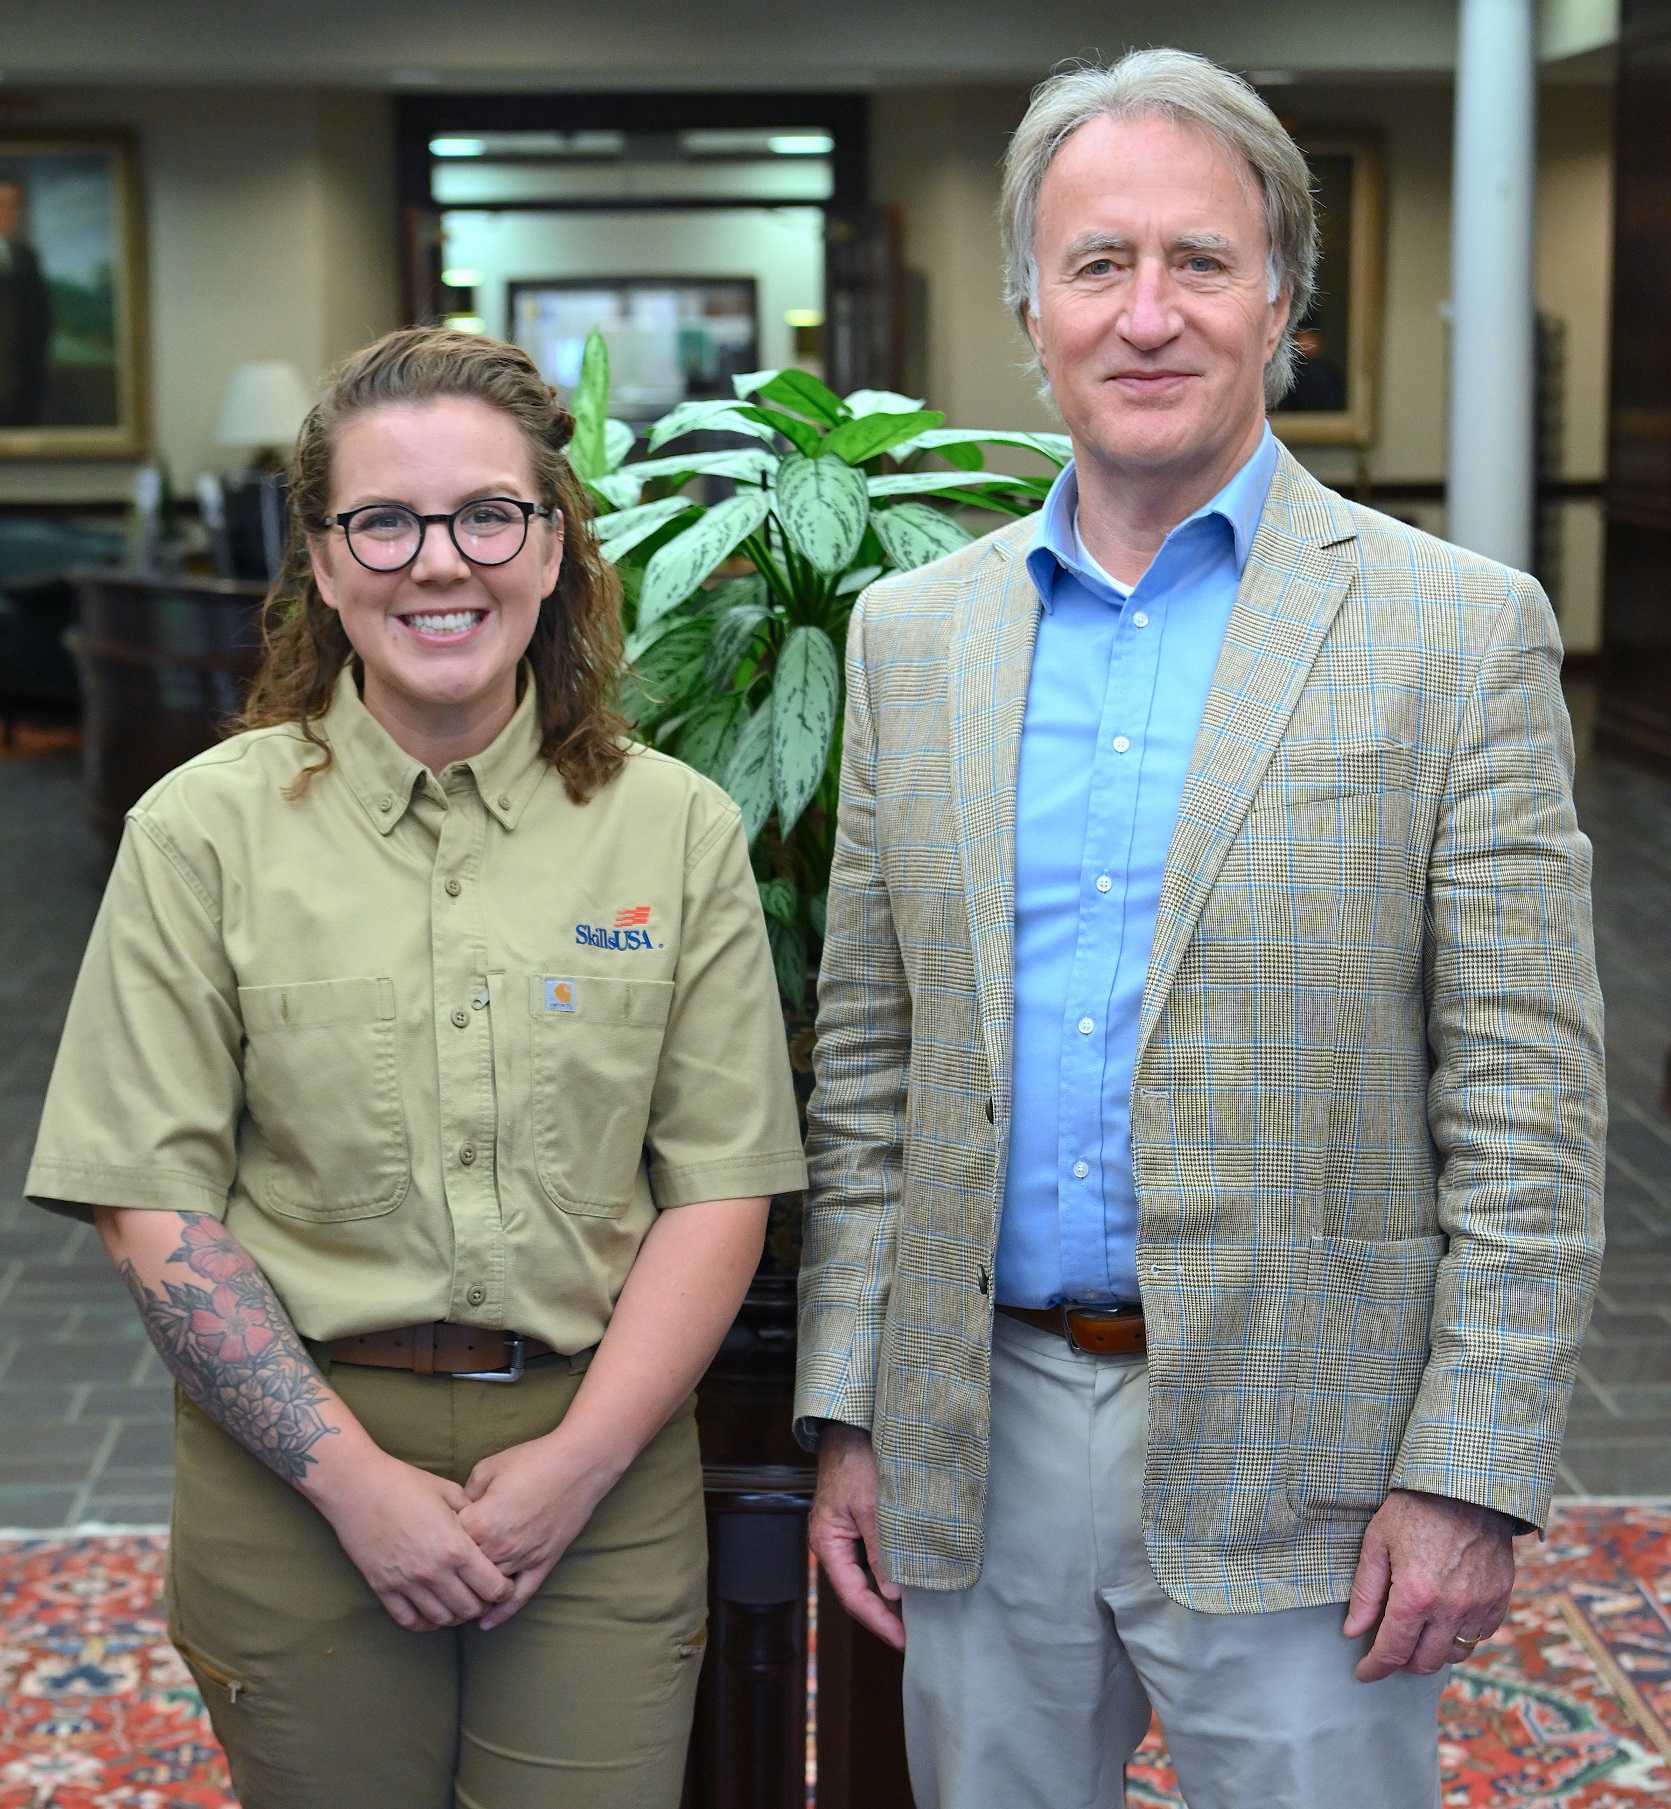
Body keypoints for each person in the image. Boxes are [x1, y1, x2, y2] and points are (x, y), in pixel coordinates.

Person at [796, 49, 1604, 1809]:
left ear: (1282, 299)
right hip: (981, 1439)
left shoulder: (1455, 634)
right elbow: (868, 1065)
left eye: (1201, 261)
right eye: (1097, 264)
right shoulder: (909, 640)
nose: (1146, 313)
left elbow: (1528, 1107)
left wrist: (1470, 1466)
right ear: (1031, 304)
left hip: (1311, 1452)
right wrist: (853, 1402)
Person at [27, 326, 808, 1809]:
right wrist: (351, 1484)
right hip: (296, 1480)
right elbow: (153, 1207)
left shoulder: (676, 828)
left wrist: (580, 1463)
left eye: (485, 515)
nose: (436, 561)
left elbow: (719, 1189)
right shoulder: (200, 834)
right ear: (320, 563)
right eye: (382, 520)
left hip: (599, 1462)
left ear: (553, 543)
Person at [0, 177, 52, 427]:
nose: (5, 213)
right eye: (0, 204)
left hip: (20, 382)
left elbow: (41, 316)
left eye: (12, 206)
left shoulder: (26, 257)